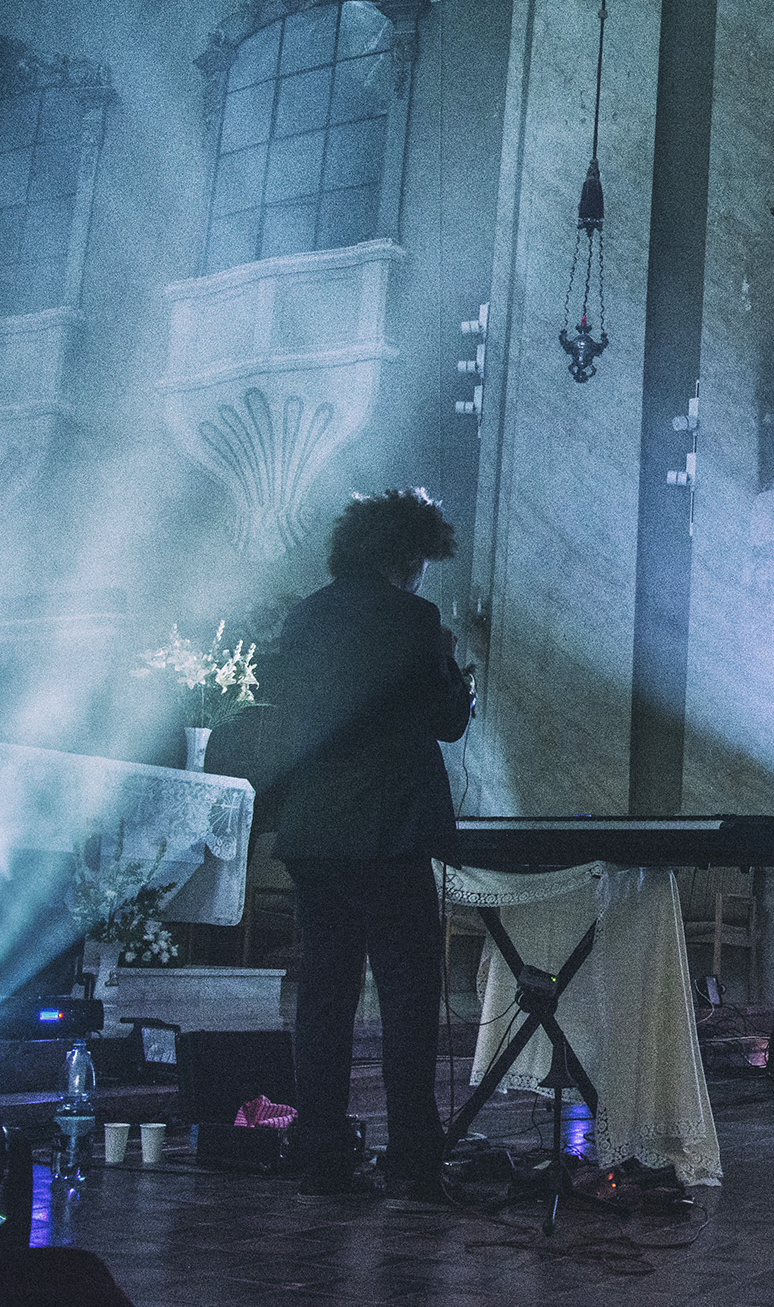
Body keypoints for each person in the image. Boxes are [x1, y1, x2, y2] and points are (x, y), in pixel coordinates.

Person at [271, 488, 473, 1206]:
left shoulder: (305, 616)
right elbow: (448, 722)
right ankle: (413, 1164)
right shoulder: (415, 620)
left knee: (323, 998)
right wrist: (451, 666)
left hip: (316, 833)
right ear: (406, 555)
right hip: (388, 835)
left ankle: (322, 1160)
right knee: (408, 1000)